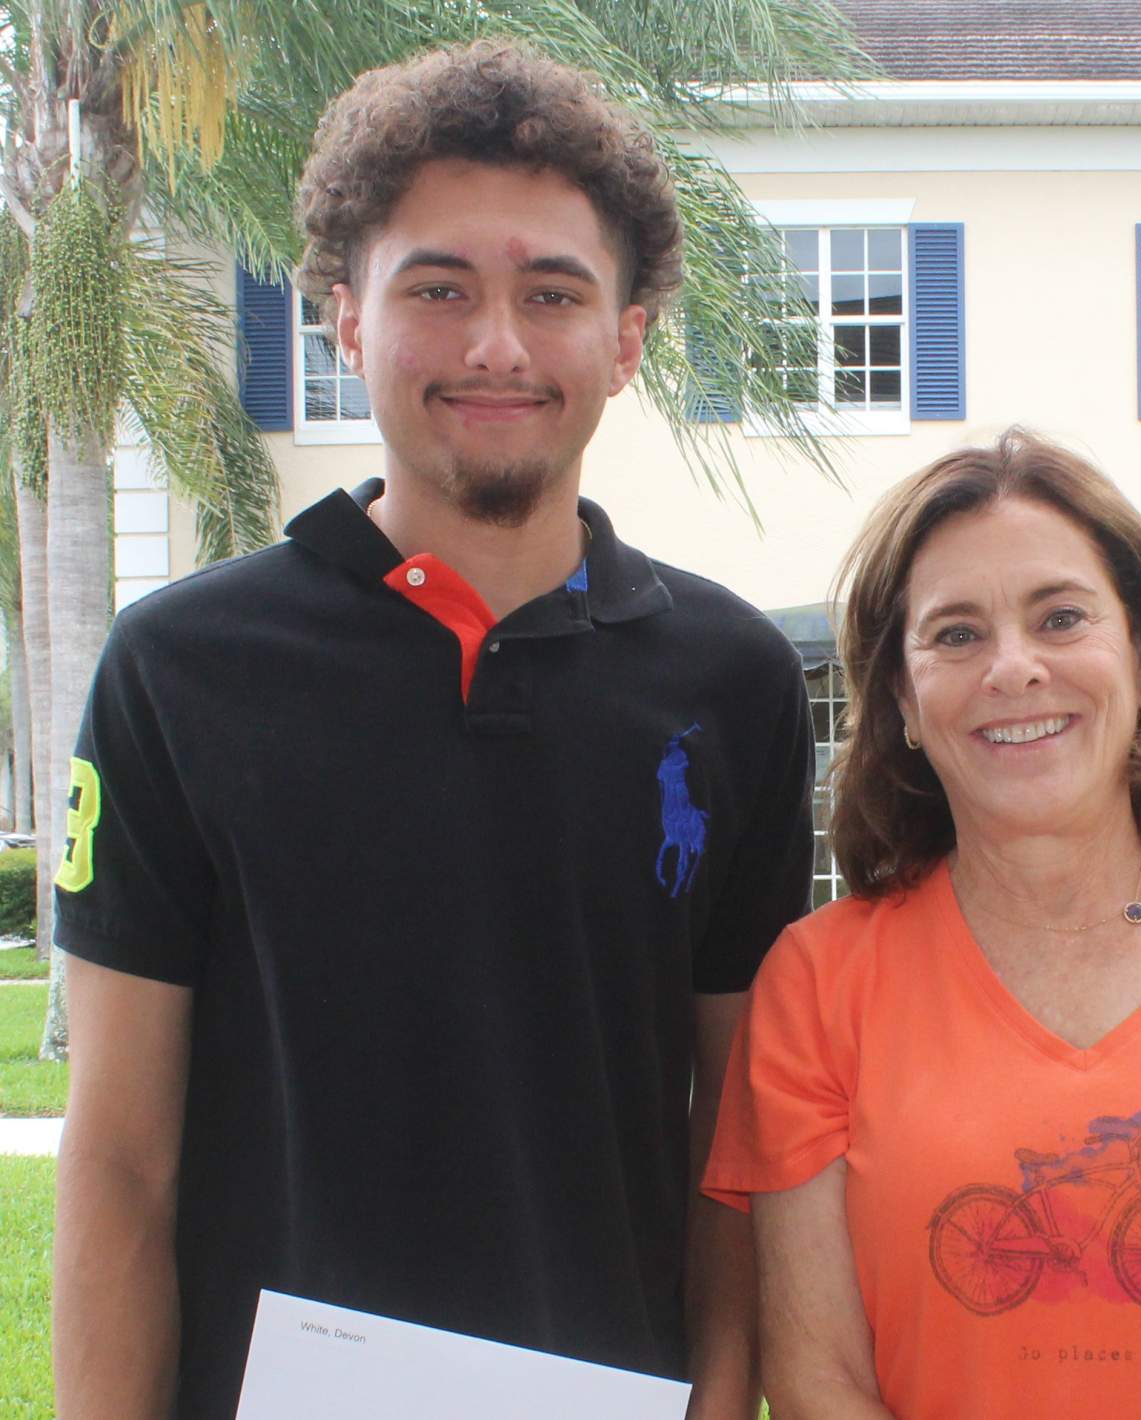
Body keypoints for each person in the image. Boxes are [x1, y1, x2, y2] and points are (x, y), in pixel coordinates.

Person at [51, 41, 813, 1420]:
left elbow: (737, 1150)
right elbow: (117, 1164)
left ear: (627, 340)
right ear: (345, 317)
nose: (497, 345)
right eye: (439, 288)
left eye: (553, 293)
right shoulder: (181, 670)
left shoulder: (732, 684)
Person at [702, 429, 1141, 1418]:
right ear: (900, 697)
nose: (1013, 668)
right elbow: (817, 1379)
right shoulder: (817, 983)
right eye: (954, 634)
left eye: (1060, 617)